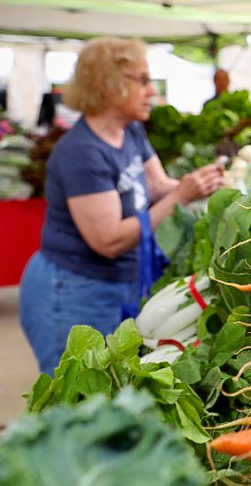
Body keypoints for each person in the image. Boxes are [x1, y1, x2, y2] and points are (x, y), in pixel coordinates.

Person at [19, 37, 225, 375]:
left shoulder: (130, 132)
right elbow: (109, 240)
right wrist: (180, 196)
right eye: (141, 80)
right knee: (75, 391)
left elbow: (159, 186)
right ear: (107, 84)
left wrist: (201, 186)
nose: (150, 91)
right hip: (72, 290)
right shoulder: (81, 151)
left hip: (116, 283)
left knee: (107, 383)